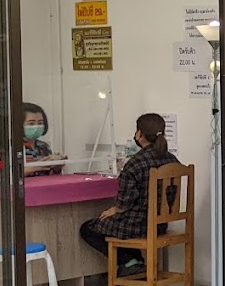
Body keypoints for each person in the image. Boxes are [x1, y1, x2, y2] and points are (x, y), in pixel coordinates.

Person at [79, 113, 178, 275]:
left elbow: (125, 202)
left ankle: (128, 261)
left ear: (140, 134)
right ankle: (136, 262)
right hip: (160, 224)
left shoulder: (135, 163)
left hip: (139, 225)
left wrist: (114, 209)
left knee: (90, 228)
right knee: (116, 225)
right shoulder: (172, 159)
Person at [21, 102, 65, 177]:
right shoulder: (10, 148)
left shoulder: (44, 146)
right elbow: (0, 177)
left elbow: (50, 175)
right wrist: (30, 169)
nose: (36, 126)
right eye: (31, 123)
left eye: (40, 123)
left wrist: (56, 167)